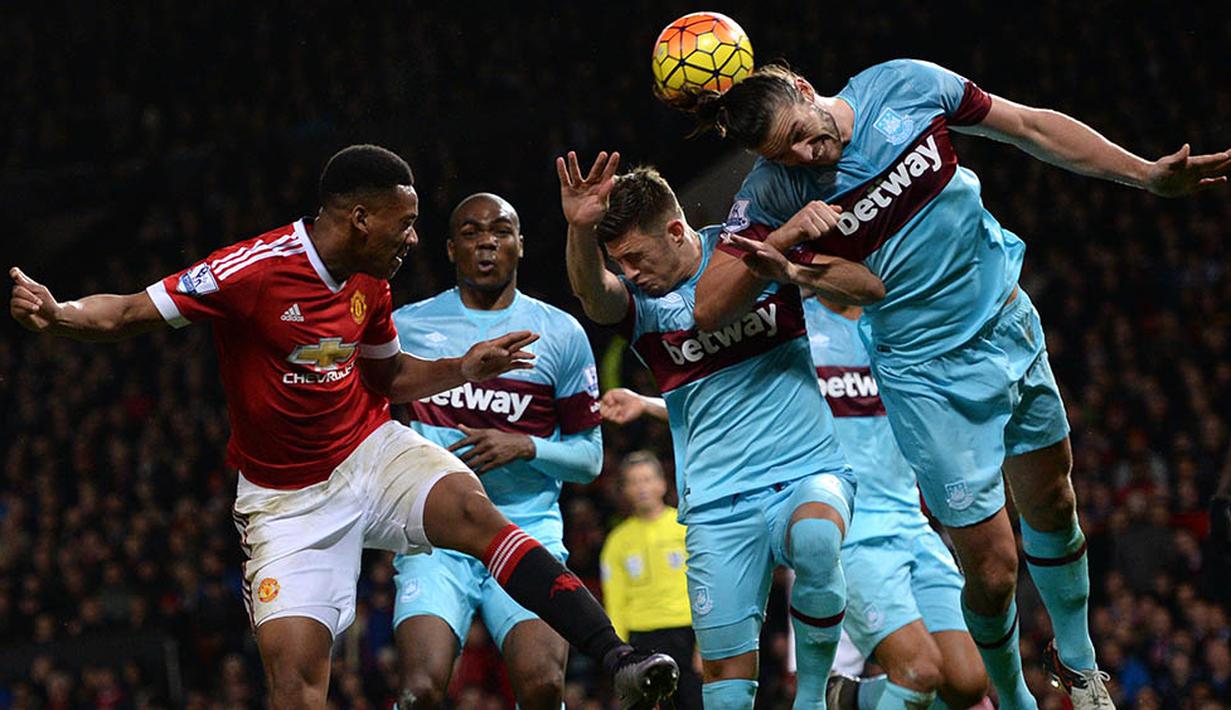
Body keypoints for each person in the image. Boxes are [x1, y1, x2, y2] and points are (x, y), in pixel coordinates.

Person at [7, 144, 678, 709]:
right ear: (359, 217)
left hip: (368, 450)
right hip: (286, 499)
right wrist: (60, 313)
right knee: (297, 685)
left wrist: (462, 366)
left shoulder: (371, 280)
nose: (414, 238)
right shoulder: (254, 270)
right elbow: (126, 311)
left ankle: (616, 656)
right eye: (405, 222)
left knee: (475, 513)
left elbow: (387, 380)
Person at [684, 59, 1230, 709]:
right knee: (994, 571)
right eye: (787, 153)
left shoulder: (904, 85)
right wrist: (782, 243)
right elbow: (707, 307)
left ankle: (1078, 665)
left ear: (805, 89)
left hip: (1006, 321)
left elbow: (1030, 127)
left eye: (803, 134)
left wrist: (1143, 173)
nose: (806, 154)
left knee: (1055, 503)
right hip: (926, 378)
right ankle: (1014, 698)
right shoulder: (776, 187)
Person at [558, 149, 882, 709]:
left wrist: (795, 266)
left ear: (677, 230)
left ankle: (810, 700)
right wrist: (580, 231)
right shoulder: (643, 306)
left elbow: (868, 287)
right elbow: (594, 294)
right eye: (619, 261)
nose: (629, 272)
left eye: (634, 256)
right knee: (727, 690)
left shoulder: (749, 248)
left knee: (815, 539)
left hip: (808, 469)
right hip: (714, 504)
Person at [604, 295, 990, 710]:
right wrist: (647, 404)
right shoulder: (797, 325)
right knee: (918, 673)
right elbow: (729, 407)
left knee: (967, 684)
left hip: (909, 523)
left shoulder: (894, 327)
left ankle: (849, 696)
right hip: (845, 529)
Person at [388, 193, 602, 709]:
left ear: (521, 246)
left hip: (527, 528)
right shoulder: (407, 326)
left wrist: (525, 446)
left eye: (501, 231)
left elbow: (590, 458)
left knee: (545, 686)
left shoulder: (560, 333)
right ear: (450, 249)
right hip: (436, 539)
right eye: (471, 232)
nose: (487, 242)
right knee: (419, 691)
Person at [599, 450, 701, 710]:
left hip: (687, 634)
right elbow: (615, 603)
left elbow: (705, 585)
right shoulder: (617, 542)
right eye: (634, 481)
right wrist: (620, 655)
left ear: (662, 483)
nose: (641, 487)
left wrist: (706, 643)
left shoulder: (685, 529)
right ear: (625, 490)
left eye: (647, 479)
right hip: (641, 641)